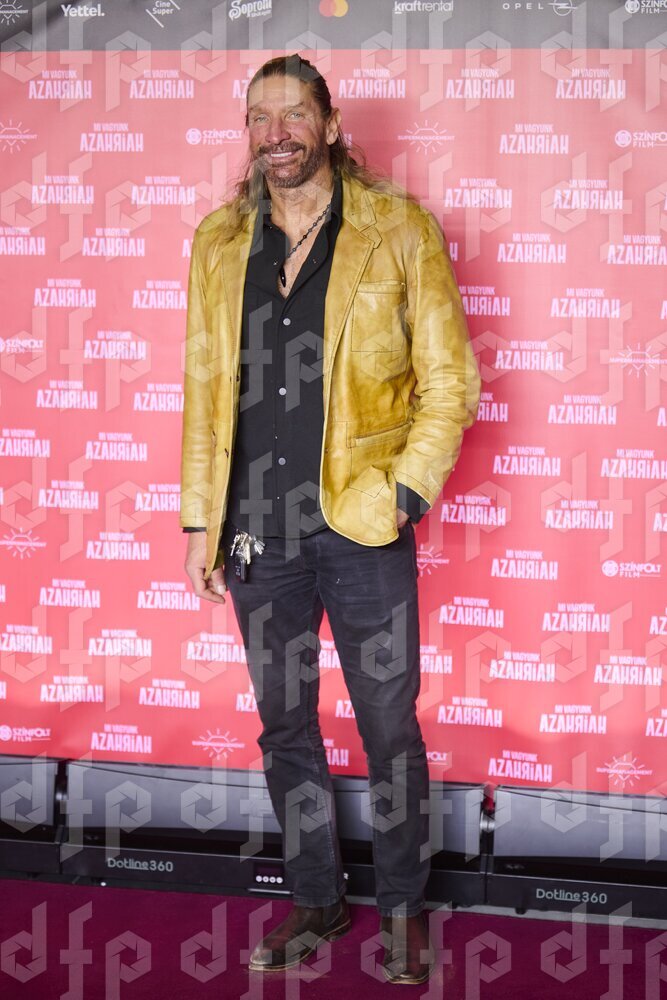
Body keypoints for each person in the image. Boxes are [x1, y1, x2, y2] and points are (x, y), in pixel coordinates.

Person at [180, 53, 481, 984]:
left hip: (361, 530)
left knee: (387, 727)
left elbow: (450, 380)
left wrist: (403, 493)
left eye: (293, 114)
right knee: (285, 729)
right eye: (259, 117)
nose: (276, 134)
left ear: (330, 123)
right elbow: (203, 390)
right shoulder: (219, 242)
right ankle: (316, 898)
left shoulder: (396, 228)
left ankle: (402, 909)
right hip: (254, 534)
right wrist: (198, 519)